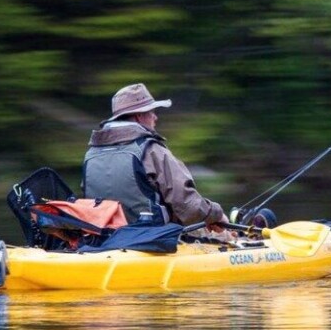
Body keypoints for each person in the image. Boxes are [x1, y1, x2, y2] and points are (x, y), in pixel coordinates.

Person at [82, 83, 228, 228]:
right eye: (152, 112)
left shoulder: (91, 156)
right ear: (139, 116)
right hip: (151, 241)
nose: (155, 117)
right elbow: (188, 205)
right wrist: (216, 214)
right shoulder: (152, 151)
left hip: (101, 242)